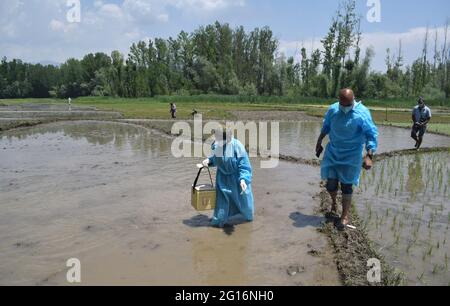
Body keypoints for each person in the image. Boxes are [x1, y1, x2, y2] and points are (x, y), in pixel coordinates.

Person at [316, 88, 378, 230]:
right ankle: (333, 202)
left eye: (347, 105)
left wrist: (369, 156)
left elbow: (371, 135)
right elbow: (326, 127)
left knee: (346, 186)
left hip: (352, 154)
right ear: (339, 101)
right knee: (331, 185)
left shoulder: (362, 113)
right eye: (342, 105)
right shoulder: (333, 110)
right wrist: (319, 142)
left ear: (353, 101)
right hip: (333, 152)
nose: (344, 108)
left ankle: (344, 216)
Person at [202, 130, 254, 228]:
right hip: (222, 179)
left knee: (244, 203)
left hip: (237, 178)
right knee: (222, 202)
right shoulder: (218, 145)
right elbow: (217, 158)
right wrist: (209, 160)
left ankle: (248, 220)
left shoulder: (238, 146)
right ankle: (219, 221)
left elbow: (244, 165)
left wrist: (243, 179)